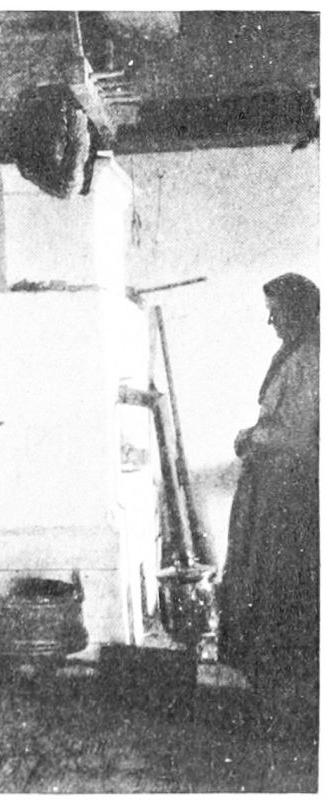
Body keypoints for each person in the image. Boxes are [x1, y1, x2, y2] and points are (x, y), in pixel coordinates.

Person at [217, 272, 320, 733]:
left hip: (290, 495)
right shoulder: (297, 352)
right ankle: (273, 698)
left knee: (278, 590)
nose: (270, 321)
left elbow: (295, 433)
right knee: (265, 585)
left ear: (296, 310)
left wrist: (250, 437)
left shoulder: (311, 357)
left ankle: (284, 705)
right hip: (275, 490)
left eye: (274, 311)